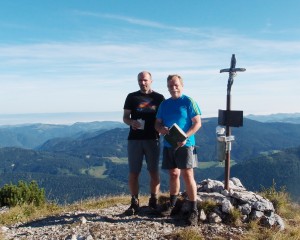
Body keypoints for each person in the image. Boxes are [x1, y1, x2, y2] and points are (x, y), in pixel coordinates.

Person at [155, 74, 202, 226]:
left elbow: (197, 123)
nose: (173, 88)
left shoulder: (188, 102)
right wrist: (161, 129)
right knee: (173, 174)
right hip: (170, 144)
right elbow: (157, 124)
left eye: (176, 85)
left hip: (186, 145)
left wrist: (185, 137)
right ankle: (173, 204)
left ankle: (194, 209)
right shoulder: (164, 104)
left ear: (182, 85)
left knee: (188, 175)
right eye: (170, 86)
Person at [123, 71, 165, 215]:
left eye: (145, 80)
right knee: (134, 172)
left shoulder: (159, 98)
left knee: (153, 171)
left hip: (153, 138)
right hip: (134, 139)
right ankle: (134, 202)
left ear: (151, 81)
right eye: (140, 80)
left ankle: (153, 201)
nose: (143, 82)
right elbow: (125, 117)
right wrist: (131, 122)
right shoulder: (131, 97)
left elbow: (164, 117)